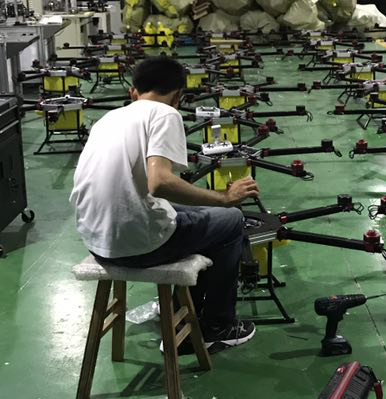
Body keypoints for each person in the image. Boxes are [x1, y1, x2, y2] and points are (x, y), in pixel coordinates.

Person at [70, 56, 260, 351]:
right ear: (177, 96)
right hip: (134, 246)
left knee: (205, 216)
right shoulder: (165, 114)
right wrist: (225, 198)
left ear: (133, 92)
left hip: (95, 240)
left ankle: (183, 315)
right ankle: (217, 325)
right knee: (232, 219)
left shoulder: (109, 119)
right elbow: (159, 182)